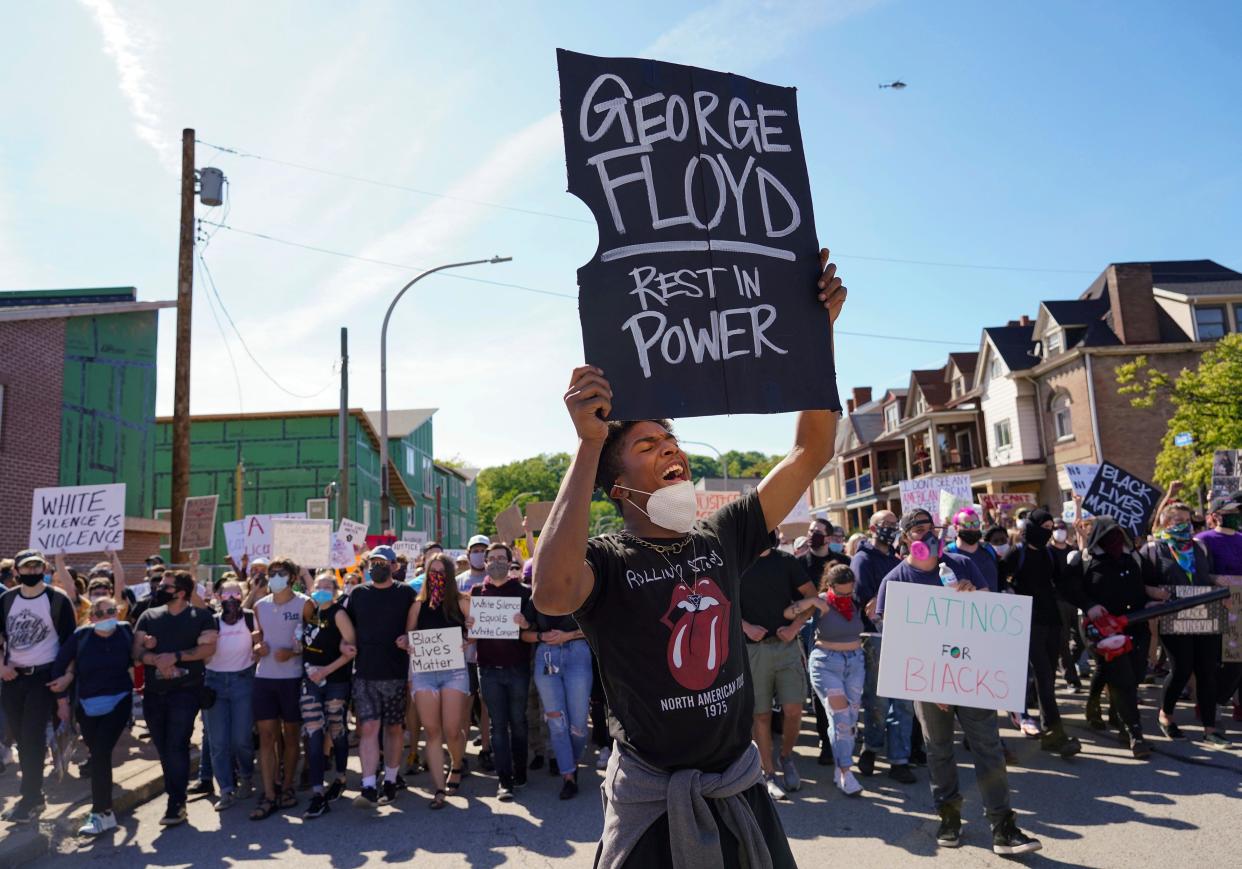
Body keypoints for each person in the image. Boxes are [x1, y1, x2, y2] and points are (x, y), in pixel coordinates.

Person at [532, 247, 847, 868]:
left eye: (671, 438)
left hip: (738, 790)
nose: (671, 449)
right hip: (653, 806)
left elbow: (810, 451)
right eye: (648, 445)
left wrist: (818, 338)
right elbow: (551, 593)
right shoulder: (609, 560)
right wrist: (587, 444)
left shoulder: (721, 534)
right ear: (618, 486)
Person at [875, 510, 1042, 855]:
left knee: (988, 748)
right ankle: (948, 818)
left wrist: (972, 596)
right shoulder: (895, 580)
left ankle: (1003, 827)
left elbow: (989, 615)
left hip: (971, 675)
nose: (928, 535)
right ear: (906, 538)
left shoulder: (962, 564)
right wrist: (933, 682)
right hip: (927, 682)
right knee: (938, 751)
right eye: (919, 530)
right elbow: (894, 638)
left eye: (931, 529)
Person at [1062, 516, 1157, 757]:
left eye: (1118, 534)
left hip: (1136, 627)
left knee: (1134, 676)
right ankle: (1134, 733)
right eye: (1109, 535)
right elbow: (1068, 588)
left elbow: (1148, 584)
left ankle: (1107, 710)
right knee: (1122, 679)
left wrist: (1151, 600)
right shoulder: (1085, 561)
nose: (1115, 540)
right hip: (1103, 631)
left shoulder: (1134, 558)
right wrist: (1089, 604)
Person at [133, 569, 218, 826]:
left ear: (181, 592)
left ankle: (176, 802)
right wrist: (153, 658)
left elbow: (208, 648)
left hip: (186, 690)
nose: (159, 588)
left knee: (176, 744)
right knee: (162, 746)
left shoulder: (201, 617)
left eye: (166, 585)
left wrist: (176, 657)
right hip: (154, 692)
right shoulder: (148, 616)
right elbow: (135, 650)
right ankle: (175, 795)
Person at [0, 550, 78, 823]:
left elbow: (71, 643)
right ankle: (32, 796)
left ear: (44, 568)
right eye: (26, 567)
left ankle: (31, 799)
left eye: (37, 567)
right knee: (22, 739)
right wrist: (2, 665)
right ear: (16, 572)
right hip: (12, 678)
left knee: (31, 738)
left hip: (43, 678)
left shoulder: (57, 599)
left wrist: (67, 677)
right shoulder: (6, 599)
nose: (32, 572)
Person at [998, 508, 1082, 758]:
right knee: (1041, 674)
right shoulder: (1017, 552)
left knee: (1047, 679)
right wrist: (1009, 593)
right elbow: (999, 577)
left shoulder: (1048, 553)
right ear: (1031, 527)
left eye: (1050, 527)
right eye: (1044, 527)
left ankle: (1050, 730)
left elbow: (1060, 582)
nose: (1048, 532)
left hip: (1051, 619)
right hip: (1027, 621)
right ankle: (1051, 731)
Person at [738, 534, 817, 799]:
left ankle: (786, 757)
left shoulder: (786, 561)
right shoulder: (736, 563)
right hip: (753, 651)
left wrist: (795, 626)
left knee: (794, 709)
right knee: (760, 715)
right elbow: (722, 604)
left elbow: (811, 596)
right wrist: (746, 627)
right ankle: (768, 773)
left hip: (787, 648)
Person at [49, 595, 134, 835]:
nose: (108, 617)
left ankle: (100, 812)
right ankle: (105, 813)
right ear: (91, 618)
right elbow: (59, 666)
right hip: (87, 706)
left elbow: (137, 657)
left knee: (100, 753)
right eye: (102, 613)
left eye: (112, 612)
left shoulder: (126, 631)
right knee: (98, 756)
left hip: (119, 701)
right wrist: (62, 701)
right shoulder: (81, 637)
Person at [1144, 502, 1227, 745]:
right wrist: (1153, 593)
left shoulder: (1199, 546)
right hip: (1174, 614)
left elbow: (1205, 575)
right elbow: (1142, 584)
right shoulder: (1153, 549)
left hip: (1205, 613)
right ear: (1165, 523)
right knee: (1181, 669)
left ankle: (1210, 728)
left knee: (1207, 672)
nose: (1185, 524)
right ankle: (1166, 715)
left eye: (1187, 519)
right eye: (1178, 520)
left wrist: (1217, 580)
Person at [345, 545, 417, 809]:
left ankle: (390, 779)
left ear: (394, 567)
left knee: (394, 728)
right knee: (369, 728)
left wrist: (409, 637)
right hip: (365, 673)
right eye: (373, 562)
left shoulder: (407, 594)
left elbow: (417, 625)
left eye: (383, 562)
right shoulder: (358, 594)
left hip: (396, 672)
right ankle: (367, 785)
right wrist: (344, 645)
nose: (377, 566)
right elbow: (347, 627)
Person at [400, 552, 471, 809]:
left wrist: (469, 639)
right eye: (432, 572)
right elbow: (409, 635)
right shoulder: (418, 606)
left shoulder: (462, 603)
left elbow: (476, 631)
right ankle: (439, 788)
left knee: (452, 728)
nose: (436, 577)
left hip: (454, 672)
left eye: (441, 572)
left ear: (450, 576)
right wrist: (405, 642)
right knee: (432, 730)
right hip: (424, 673)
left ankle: (457, 763)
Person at [851, 510, 915, 783]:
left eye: (894, 524)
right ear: (872, 527)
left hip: (903, 636)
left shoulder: (897, 560)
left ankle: (899, 758)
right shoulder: (863, 559)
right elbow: (866, 604)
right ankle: (871, 748)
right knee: (877, 699)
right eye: (884, 524)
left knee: (903, 703)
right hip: (876, 639)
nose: (890, 528)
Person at [471, 542, 538, 801]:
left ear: (510, 563)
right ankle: (504, 780)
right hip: (488, 670)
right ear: (485, 563)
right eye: (492, 558)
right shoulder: (477, 592)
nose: (496, 561)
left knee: (518, 723)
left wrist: (526, 622)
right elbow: (471, 633)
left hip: (517, 668)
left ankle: (520, 771)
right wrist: (471, 625)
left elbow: (533, 626)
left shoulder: (524, 593)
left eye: (502, 558)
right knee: (498, 726)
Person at [248, 556, 308, 819]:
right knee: (267, 737)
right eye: (271, 573)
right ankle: (269, 793)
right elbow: (257, 640)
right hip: (265, 679)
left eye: (280, 573)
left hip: (293, 678)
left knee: (292, 735)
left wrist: (294, 654)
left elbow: (315, 641)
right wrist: (257, 649)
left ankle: (287, 787)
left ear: (293, 578)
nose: (274, 577)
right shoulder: (260, 606)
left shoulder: (305, 605)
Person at [804, 563, 868, 796]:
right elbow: (792, 615)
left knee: (849, 720)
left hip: (855, 662)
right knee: (841, 719)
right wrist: (808, 602)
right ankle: (845, 771)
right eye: (840, 592)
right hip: (827, 664)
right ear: (830, 587)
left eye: (848, 592)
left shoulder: (856, 601)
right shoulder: (822, 601)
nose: (845, 596)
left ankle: (840, 767)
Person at [300, 570, 356, 819]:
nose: (321, 589)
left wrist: (325, 670)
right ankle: (317, 792)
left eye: (327, 586)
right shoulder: (310, 612)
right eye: (317, 585)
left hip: (334, 681)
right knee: (313, 732)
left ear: (335, 592)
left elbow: (351, 649)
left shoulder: (339, 614)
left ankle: (341, 777)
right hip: (310, 681)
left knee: (336, 729)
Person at [203, 578, 257, 811]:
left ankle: (246, 776)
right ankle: (225, 789)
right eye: (227, 594)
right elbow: (203, 653)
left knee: (241, 738)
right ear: (218, 597)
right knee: (218, 741)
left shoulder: (250, 617)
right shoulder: (211, 621)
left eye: (237, 593)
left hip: (243, 681)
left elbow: (261, 642)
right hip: (214, 682)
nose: (232, 598)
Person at [1198, 496, 1242, 717]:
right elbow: (1197, 572)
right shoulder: (1203, 539)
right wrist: (1219, 579)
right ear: (1215, 516)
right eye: (1229, 512)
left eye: (1236, 512)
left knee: (1236, 661)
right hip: (1215, 605)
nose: (1234, 516)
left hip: (1239, 607)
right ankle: (1209, 702)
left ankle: (1232, 702)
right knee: (1215, 660)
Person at [459, 534, 493, 771]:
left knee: (487, 704)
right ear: (468, 552)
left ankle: (486, 748)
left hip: (490, 651)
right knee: (463, 703)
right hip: (464, 652)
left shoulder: (495, 579)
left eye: (483, 550)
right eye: (475, 550)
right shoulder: (458, 581)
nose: (479, 553)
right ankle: (459, 754)